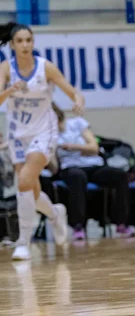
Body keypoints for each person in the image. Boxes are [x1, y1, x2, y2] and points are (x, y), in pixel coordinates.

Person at [0, 22, 85, 260]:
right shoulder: (6, 68)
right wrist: (9, 90)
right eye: (20, 41)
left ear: (33, 42)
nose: (25, 45)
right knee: (31, 191)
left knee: (24, 181)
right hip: (17, 133)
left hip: (43, 132)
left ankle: (23, 242)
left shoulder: (45, 67)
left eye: (29, 40)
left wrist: (77, 101)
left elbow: (73, 92)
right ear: (13, 45)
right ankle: (56, 215)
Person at [49, 104, 134, 241]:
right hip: (70, 168)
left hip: (93, 165)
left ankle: (121, 223)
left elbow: (94, 148)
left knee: (119, 175)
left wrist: (72, 147)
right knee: (77, 177)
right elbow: (54, 168)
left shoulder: (77, 123)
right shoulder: (49, 136)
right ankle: (78, 226)